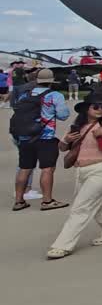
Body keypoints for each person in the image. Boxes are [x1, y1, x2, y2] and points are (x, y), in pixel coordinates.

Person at [46, 92, 102, 259]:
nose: (100, 110)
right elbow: (62, 148)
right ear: (87, 109)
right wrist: (67, 140)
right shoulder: (76, 126)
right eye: (96, 107)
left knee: (81, 207)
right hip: (81, 171)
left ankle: (63, 245)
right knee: (100, 202)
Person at [11, 68, 70, 211]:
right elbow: (63, 115)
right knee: (47, 169)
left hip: (25, 138)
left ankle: (19, 201)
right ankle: (47, 201)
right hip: (46, 137)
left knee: (24, 168)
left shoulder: (25, 95)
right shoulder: (55, 95)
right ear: (51, 82)